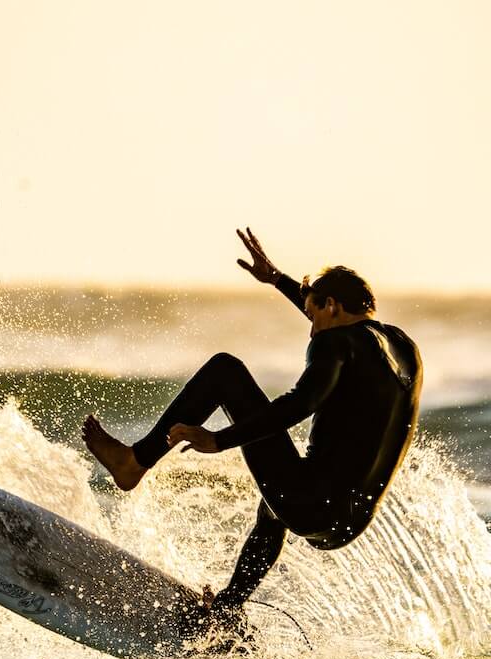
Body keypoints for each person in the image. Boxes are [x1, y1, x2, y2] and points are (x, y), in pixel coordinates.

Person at [82, 228, 423, 628]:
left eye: (313, 315)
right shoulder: (402, 349)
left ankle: (133, 462)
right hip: (347, 522)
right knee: (273, 508)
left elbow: (302, 402)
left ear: (331, 306)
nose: (310, 329)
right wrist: (277, 279)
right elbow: (344, 332)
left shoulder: (333, 343)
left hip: (309, 503)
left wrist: (218, 439)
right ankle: (227, 610)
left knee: (225, 370)